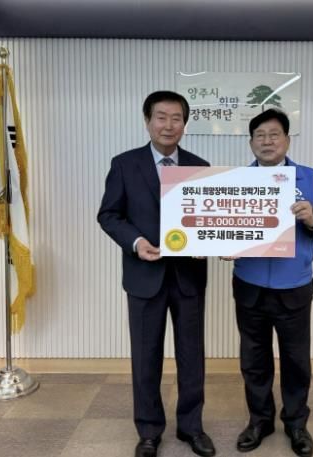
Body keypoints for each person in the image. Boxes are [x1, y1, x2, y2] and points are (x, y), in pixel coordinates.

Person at [97, 91, 215, 457]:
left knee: (191, 356)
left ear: (185, 124)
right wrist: (136, 242)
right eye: (161, 117)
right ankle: (148, 430)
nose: (168, 125)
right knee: (145, 356)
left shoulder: (200, 166)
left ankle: (191, 427)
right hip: (143, 275)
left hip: (188, 277)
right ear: (147, 121)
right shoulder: (124, 164)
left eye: (176, 118)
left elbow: (208, 219)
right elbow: (109, 215)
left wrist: (212, 240)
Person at [227, 109, 313, 457]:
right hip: (250, 285)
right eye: (259, 135)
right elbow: (223, 226)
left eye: (274, 134)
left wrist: (312, 218)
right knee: (254, 360)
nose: (267, 141)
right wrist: (223, 244)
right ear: (251, 143)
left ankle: (296, 423)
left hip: (294, 287)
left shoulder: (310, 177)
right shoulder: (234, 181)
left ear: (287, 140)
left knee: (296, 360)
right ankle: (260, 421)